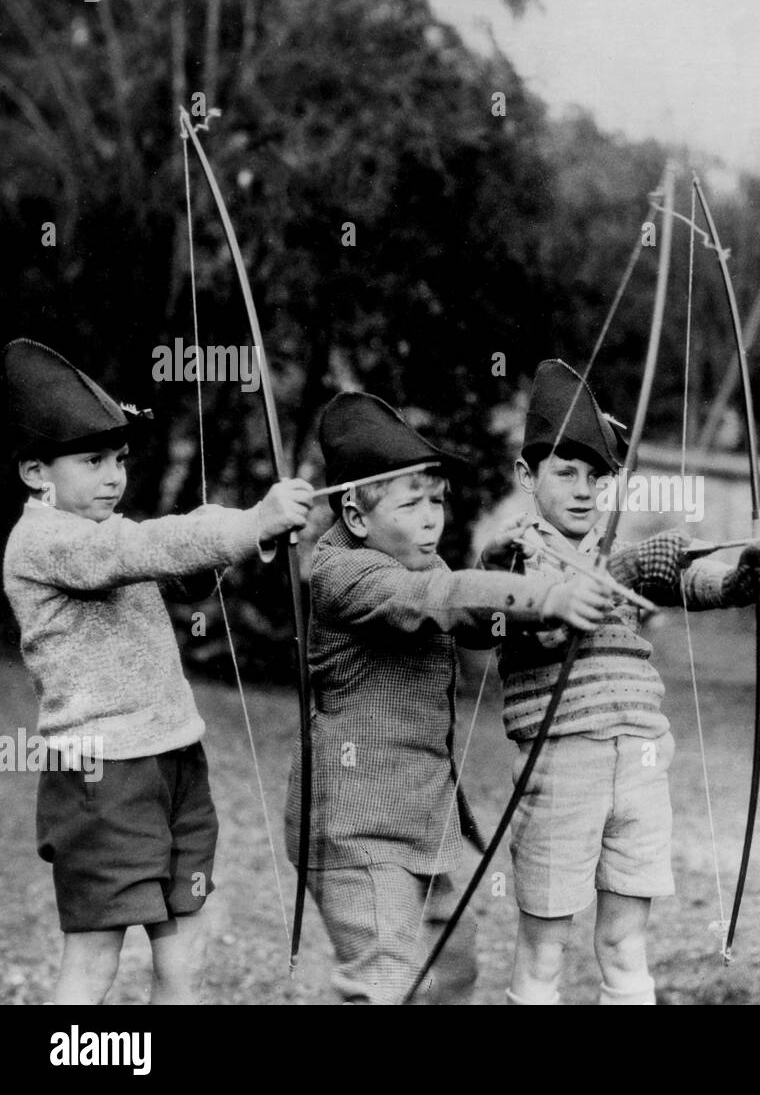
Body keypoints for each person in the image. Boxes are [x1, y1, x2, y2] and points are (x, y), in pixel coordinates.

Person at [2, 337, 313, 1003]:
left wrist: (248, 535)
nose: (114, 475)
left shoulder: (102, 531)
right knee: (94, 961)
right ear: (35, 472)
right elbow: (144, 547)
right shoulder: (46, 540)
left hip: (173, 757)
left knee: (185, 941)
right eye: (93, 460)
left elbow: (181, 567)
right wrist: (251, 521)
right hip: (102, 775)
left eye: (119, 458)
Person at [285, 391, 610, 1004]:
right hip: (354, 830)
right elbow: (440, 598)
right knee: (383, 985)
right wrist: (544, 597)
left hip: (425, 823)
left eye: (437, 501)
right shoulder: (340, 574)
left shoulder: (417, 569)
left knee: (452, 973)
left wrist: (513, 585)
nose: (433, 517)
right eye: (413, 504)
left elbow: (467, 616)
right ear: (355, 516)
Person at [485, 359, 760, 1005]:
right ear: (525, 475)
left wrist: (743, 579)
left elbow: (680, 578)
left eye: (598, 476)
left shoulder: (620, 559)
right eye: (565, 472)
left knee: (626, 945)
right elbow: (503, 606)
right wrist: (554, 596)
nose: (584, 489)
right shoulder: (513, 556)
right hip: (562, 763)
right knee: (545, 950)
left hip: (642, 762)